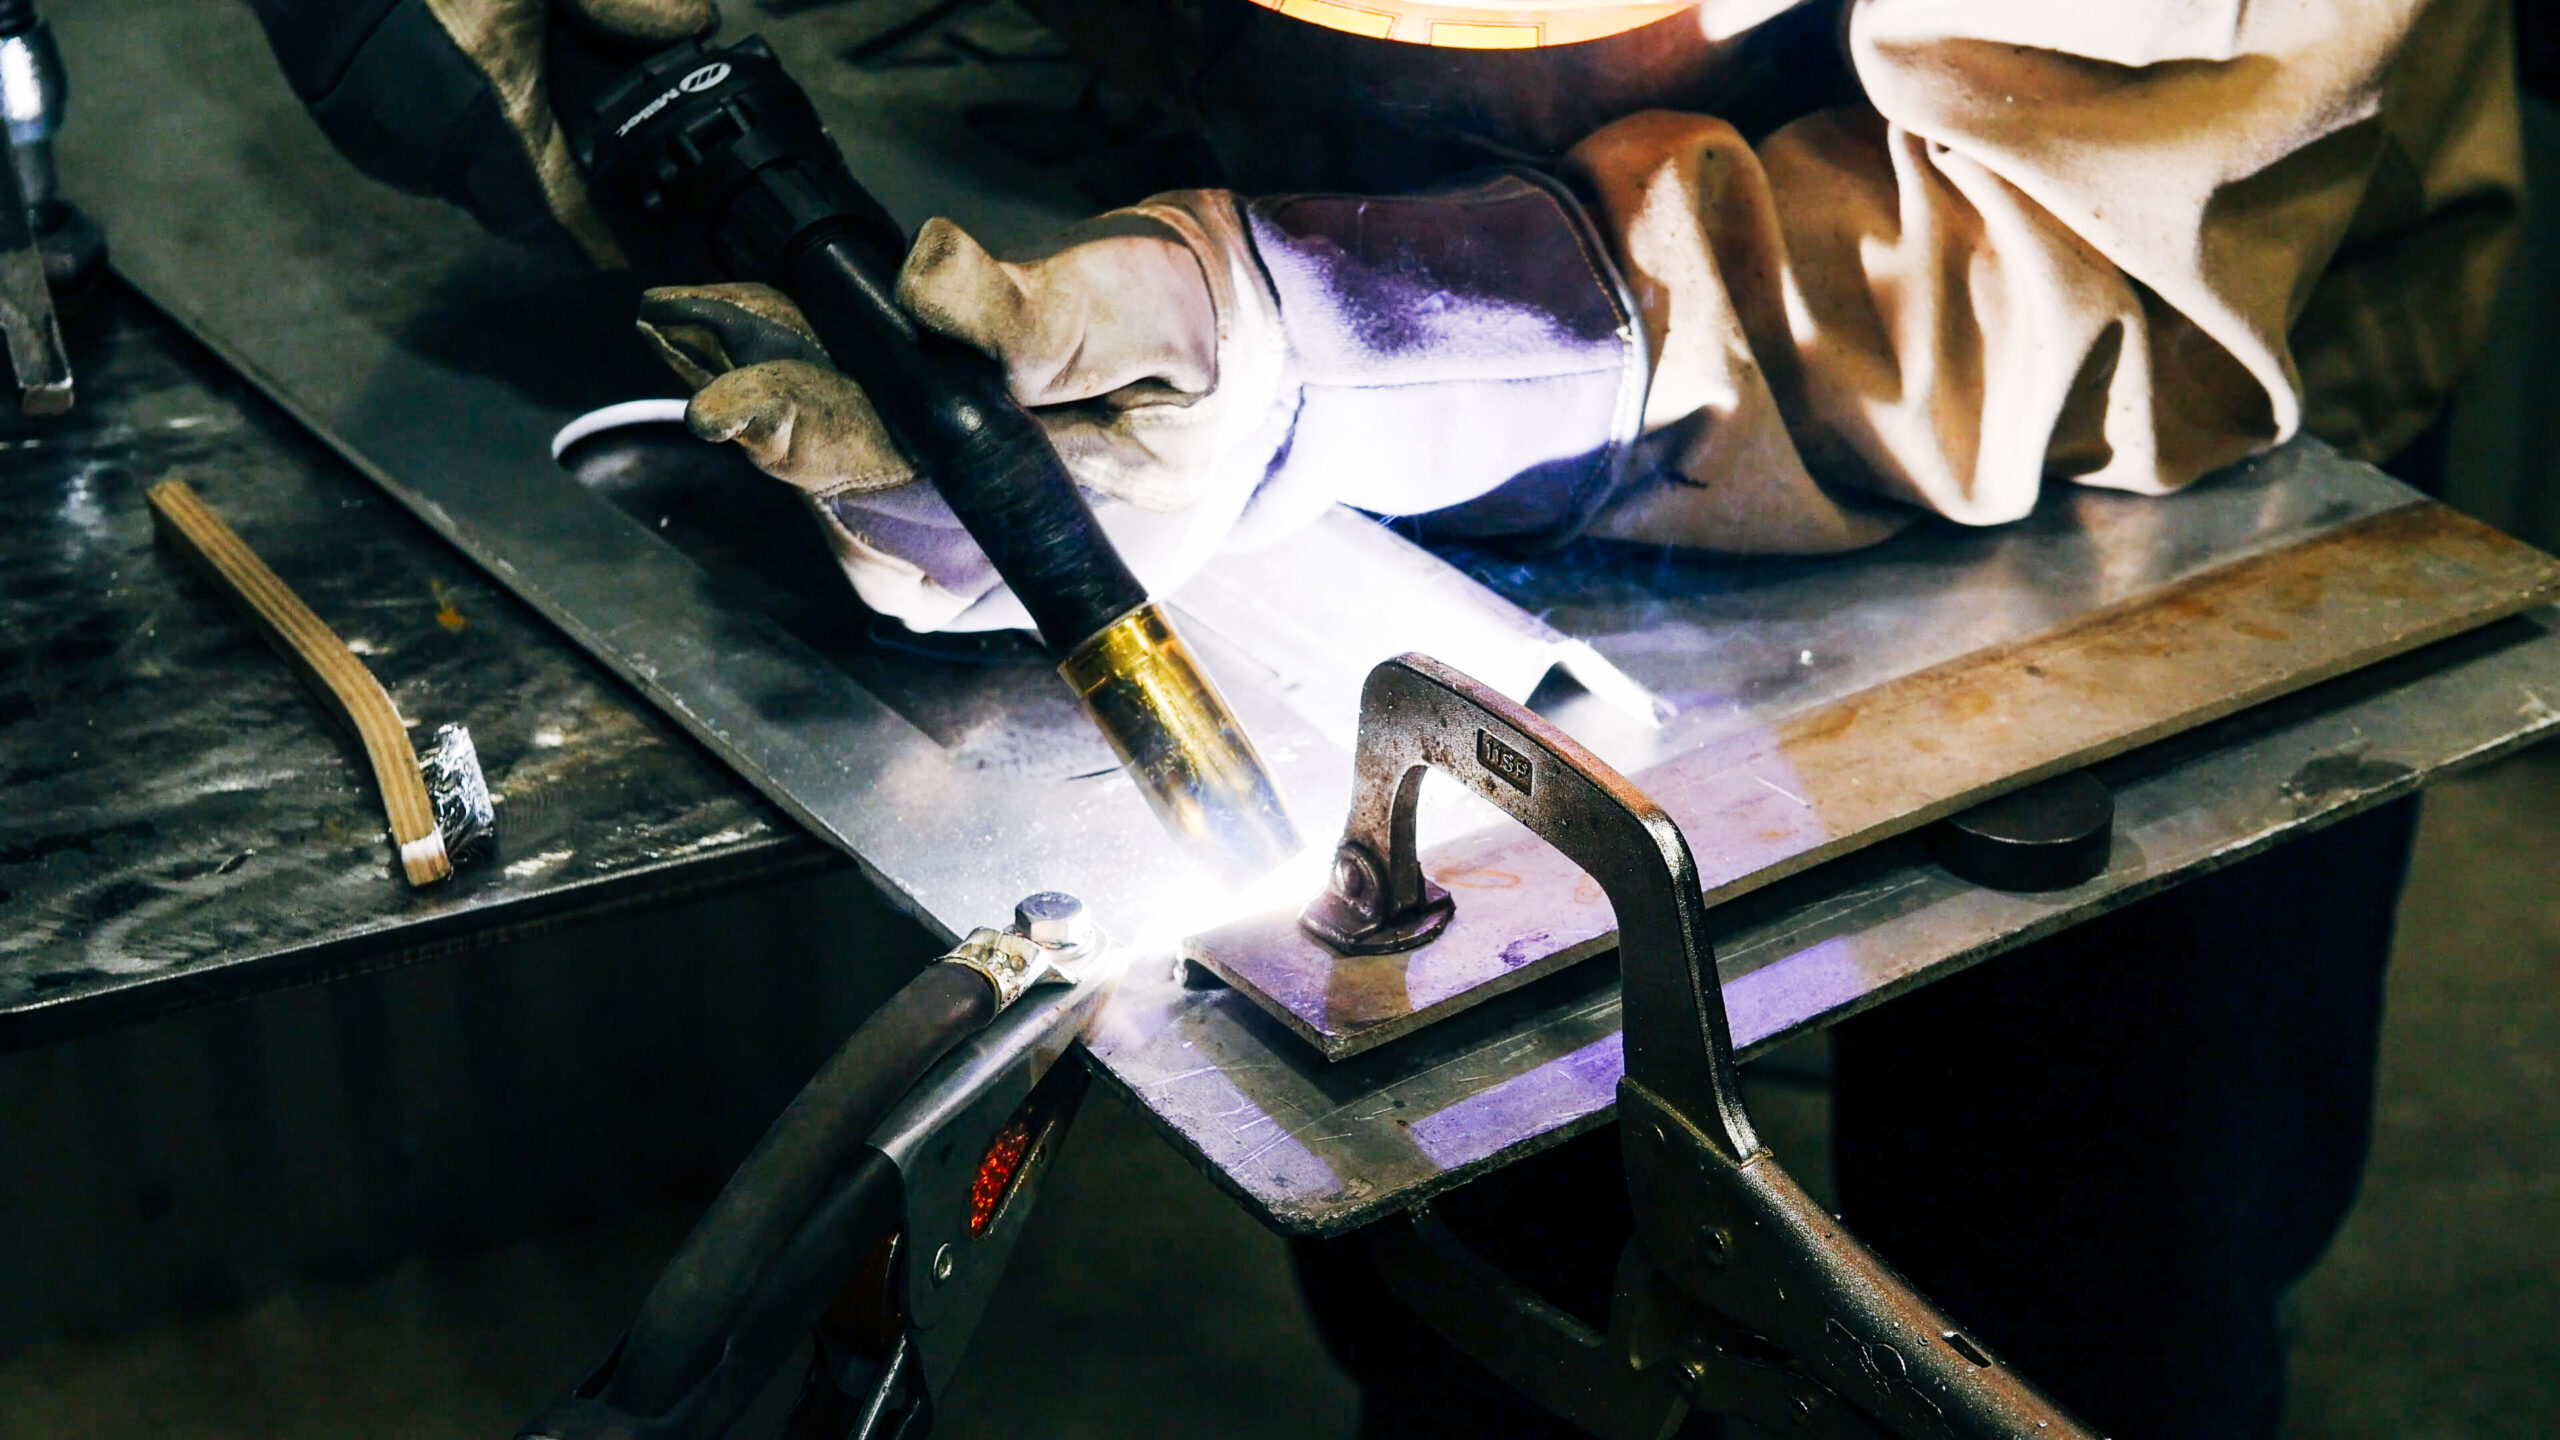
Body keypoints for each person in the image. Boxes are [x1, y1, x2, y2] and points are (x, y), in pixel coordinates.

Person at [250, 0, 2521, 1432]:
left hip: (2121, 396)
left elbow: (2088, 242)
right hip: (1274, 197)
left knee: (2087, 1260)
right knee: (1463, 1259)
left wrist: (1325, 327)